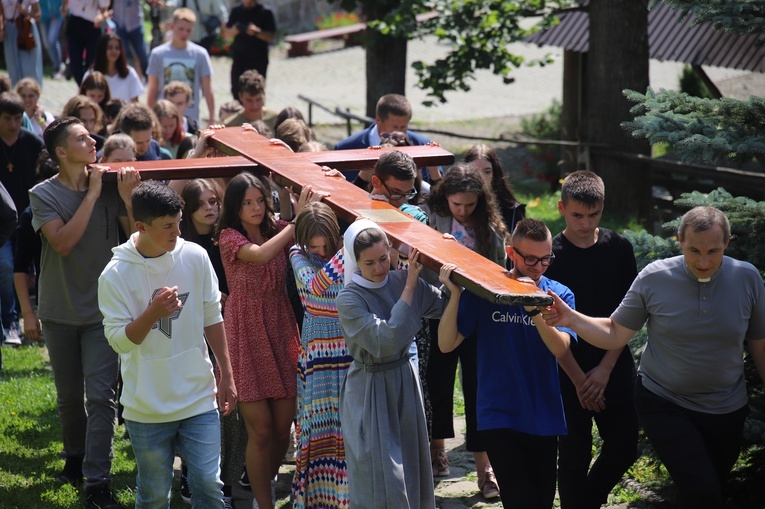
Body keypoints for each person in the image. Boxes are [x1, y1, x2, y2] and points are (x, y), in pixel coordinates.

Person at [541, 206, 765, 509]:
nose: (703, 261)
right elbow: (614, 332)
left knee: (708, 490)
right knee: (705, 495)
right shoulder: (656, 278)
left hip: (727, 408)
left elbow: (759, 345)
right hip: (665, 402)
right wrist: (570, 319)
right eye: (694, 250)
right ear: (679, 240)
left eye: (713, 251)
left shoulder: (747, 279)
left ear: (727, 244)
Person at [98, 180, 237, 508]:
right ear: (141, 226)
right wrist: (153, 313)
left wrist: (226, 373)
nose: (177, 233)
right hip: (146, 407)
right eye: (167, 227)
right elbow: (119, 342)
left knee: (207, 484)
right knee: (156, 494)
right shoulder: (114, 275)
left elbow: (211, 316)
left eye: (178, 223)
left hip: (198, 397)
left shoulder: (196, 256)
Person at [30, 116, 139, 509]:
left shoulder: (108, 185)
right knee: (69, 398)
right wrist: (91, 196)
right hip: (59, 311)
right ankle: (73, 459)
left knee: (101, 396)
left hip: (103, 314)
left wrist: (126, 199)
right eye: (81, 138)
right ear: (61, 152)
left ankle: (97, 480)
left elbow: (135, 237)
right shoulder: (42, 194)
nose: (93, 140)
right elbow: (61, 243)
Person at [439, 218, 575, 509]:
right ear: (511, 253)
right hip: (498, 415)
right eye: (530, 259)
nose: (538, 268)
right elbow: (446, 343)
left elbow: (560, 348)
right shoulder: (487, 291)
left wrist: (535, 309)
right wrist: (455, 296)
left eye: (546, 259)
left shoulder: (558, 295)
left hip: (543, 416)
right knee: (519, 500)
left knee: (541, 501)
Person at [217, 173, 323, 509]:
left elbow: (300, 236)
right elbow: (261, 255)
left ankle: (268, 483)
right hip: (245, 330)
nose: (255, 207)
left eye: (260, 200)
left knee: (282, 427)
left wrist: (295, 207)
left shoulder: (276, 228)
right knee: (260, 429)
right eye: (247, 202)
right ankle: (264, 503)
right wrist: (295, 220)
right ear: (234, 206)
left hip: (279, 325)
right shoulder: (228, 237)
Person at [336, 220, 452, 509]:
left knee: (411, 471)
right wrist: (411, 285)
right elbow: (384, 341)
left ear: (391, 251)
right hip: (369, 388)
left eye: (384, 259)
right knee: (382, 478)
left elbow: (443, 306)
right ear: (355, 262)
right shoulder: (349, 299)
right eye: (369, 262)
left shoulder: (400, 278)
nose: (379, 268)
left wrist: (445, 262)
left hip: (404, 381)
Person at [542, 170, 639, 509]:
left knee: (625, 445)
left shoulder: (620, 248)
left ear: (603, 208)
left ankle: (589, 502)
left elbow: (629, 315)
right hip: (568, 369)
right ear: (561, 207)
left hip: (613, 362)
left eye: (594, 214)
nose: (585, 223)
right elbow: (549, 326)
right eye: (577, 215)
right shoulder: (550, 256)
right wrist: (580, 378)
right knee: (573, 455)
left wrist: (604, 369)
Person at [422, 163, 506, 499]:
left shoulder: (489, 225)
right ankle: (437, 448)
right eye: (457, 205)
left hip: (478, 317)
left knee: (477, 389)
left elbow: (499, 270)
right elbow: (422, 266)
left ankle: (484, 467)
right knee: (438, 382)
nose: (463, 211)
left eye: (469, 205)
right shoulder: (432, 216)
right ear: (446, 198)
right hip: (440, 314)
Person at [288, 202, 350, 509]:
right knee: (321, 430)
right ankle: (318, 501)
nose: (321, 251)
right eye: (315, 245)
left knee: (350, 428)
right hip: (318, 358)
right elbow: (315, 286)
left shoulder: (349, 251)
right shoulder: (297, 255)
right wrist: (349, 245)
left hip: (350, 350)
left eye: (327, 243)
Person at [0, 92, 44, 345]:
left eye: (18, 118)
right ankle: (10, 321)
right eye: (7, 118)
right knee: (6, 267)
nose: (14, 124)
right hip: (2, 221)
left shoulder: (31, 142)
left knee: (28, 271)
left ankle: (28, 319)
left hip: (29, 219)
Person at [335, 94, 441, 183]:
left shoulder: (422, 145)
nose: (399, 132)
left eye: (403, 126)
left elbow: (440, 190)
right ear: (378, 120)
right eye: (394, 127)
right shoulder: (346, 148)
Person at [147, 8, 215, 127]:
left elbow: (208, 89)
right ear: (172, 27)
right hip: (163, 118)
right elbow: (152, 89)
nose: (184, 34)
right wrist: (150, 116)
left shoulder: (200, 54)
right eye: (181, 29)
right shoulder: (158, 54)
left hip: (190, 118)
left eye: (188, 30)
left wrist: (212, 118)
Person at [463, 144, 525, 238]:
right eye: (475, 171)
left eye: (487, 172)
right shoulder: (457, 204)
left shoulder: (512, 212)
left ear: (495, 173)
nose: (482, 177)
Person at [224, 0, 275, 98]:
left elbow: (271, 37)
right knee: (236, 90)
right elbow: (227, 34)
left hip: (258, 59)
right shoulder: (236, 11)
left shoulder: (265, 12)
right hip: (239, 59)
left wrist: (257, 32)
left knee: (256, 91)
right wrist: (236, 29)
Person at [63, 0, 110, 85]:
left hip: (92, 25)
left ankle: (90, 88)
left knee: (92, 62)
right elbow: (65, 5)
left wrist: (101, 17)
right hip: (74, 23)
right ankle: (83, 88)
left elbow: (105, 11)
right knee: (75, 62)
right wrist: (64, 8)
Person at [88, 32, 144, 103]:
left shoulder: (130, 73)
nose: (114, 51)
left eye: (117, 48)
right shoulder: (91, 74)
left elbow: (135, 103)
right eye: (110, 48)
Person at [0, 0, 43, 87]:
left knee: (29, 68)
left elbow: (38, 14)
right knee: (13, 68)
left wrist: (26, 12)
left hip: (25, 29)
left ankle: (31, 94)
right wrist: (1, 28)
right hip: (9, 29)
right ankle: (16, 95)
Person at [110, 0, 149, 79]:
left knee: (142, 53)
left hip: (135, 24)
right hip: (118, 24)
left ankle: (148, 77)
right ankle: (126, 77)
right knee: (124, 53)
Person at [38, 0, 65, 79]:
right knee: (47, 44)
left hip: (56, 15)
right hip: (43, 17)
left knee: (52, 40)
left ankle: (57, 67)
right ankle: (57, 65)